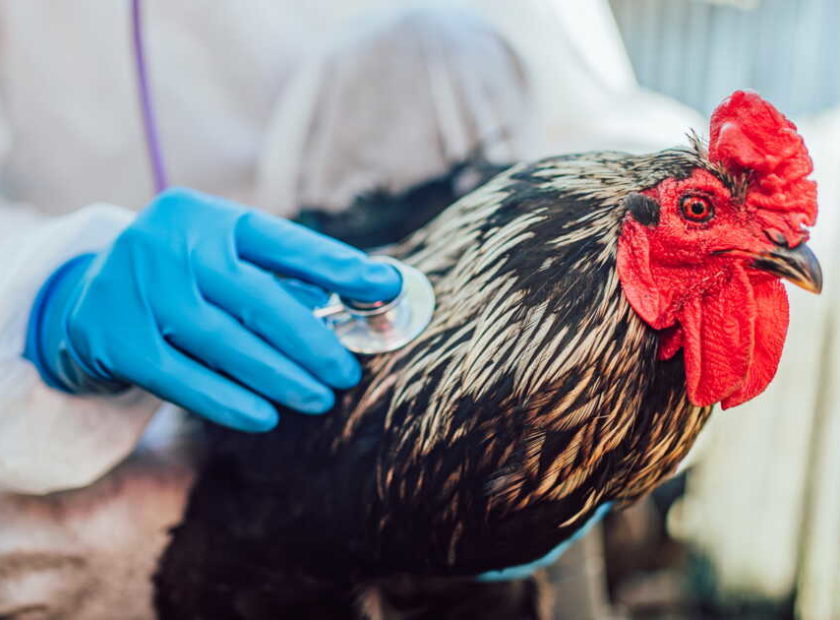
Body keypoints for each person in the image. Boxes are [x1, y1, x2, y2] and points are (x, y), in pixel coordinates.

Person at [0, 1, 701, 617]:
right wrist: (48, 292)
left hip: (432, 397)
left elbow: (600, 128)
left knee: (436, 45)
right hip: (71, 411)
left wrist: (593, 394)